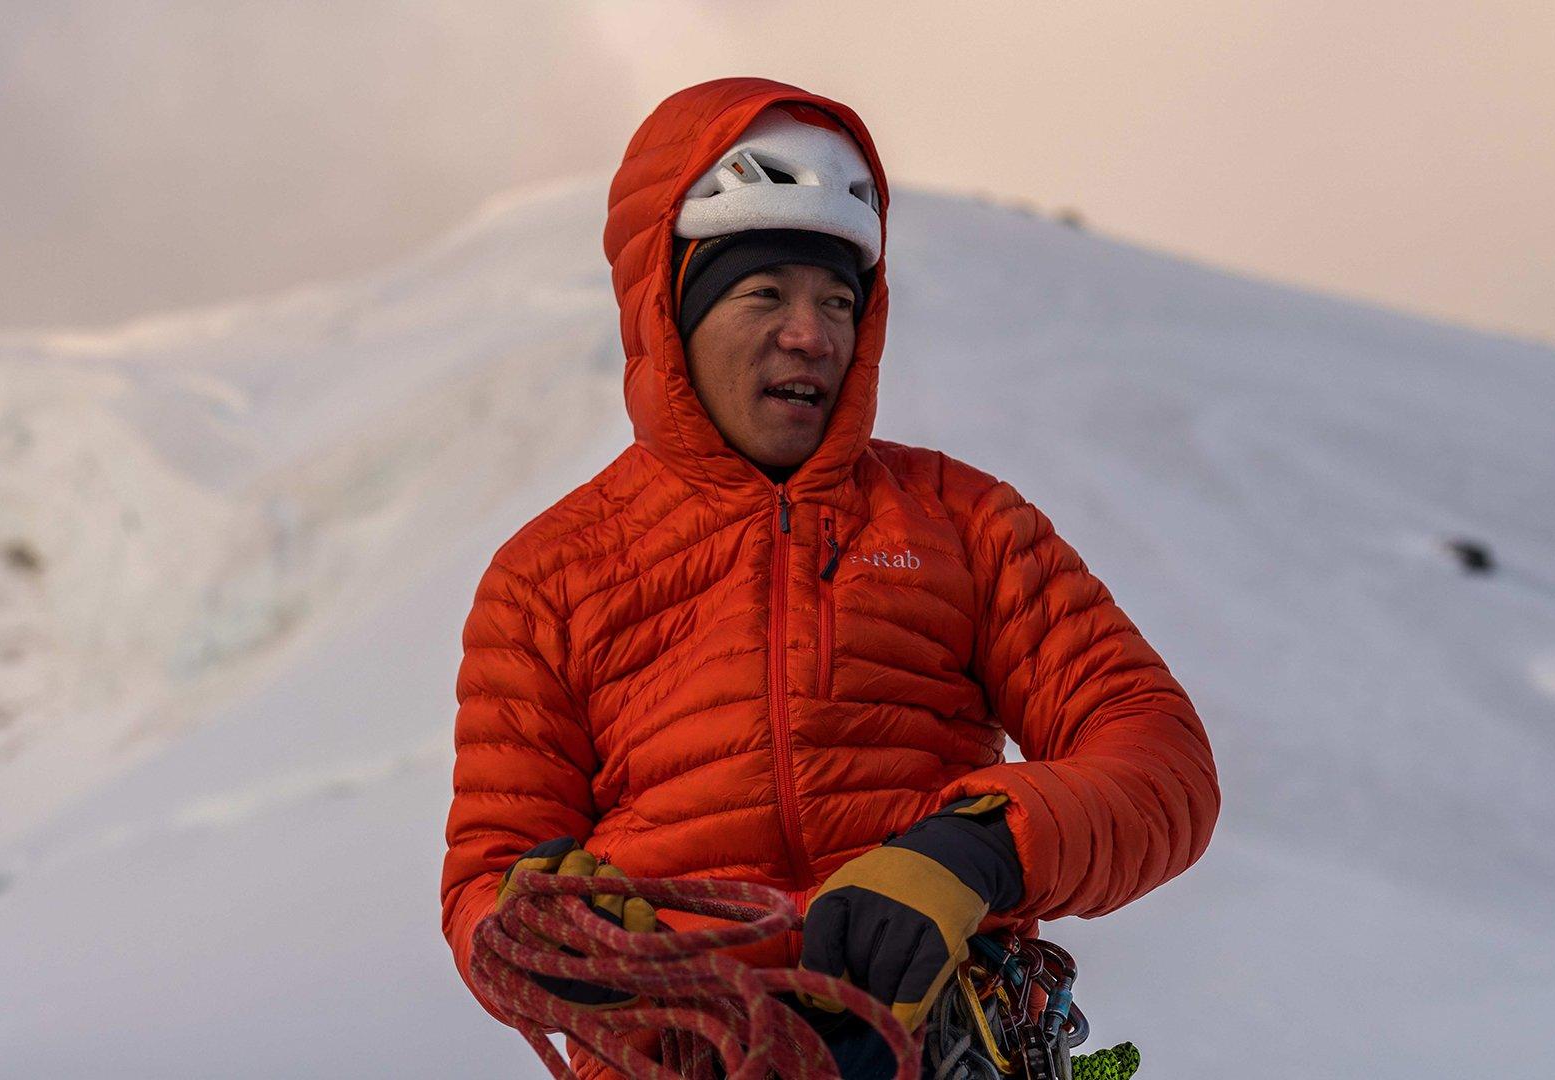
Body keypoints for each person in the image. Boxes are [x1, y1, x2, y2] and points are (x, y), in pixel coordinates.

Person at [440, 76, 1219, 1079]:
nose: (812, 334)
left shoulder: (966, 522)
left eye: (839, 300)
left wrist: (973, 852)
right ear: (669, 312)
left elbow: (1160, 759)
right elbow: (488, 882)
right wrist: (550, 944)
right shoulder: (548, 575)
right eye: (764, 293)